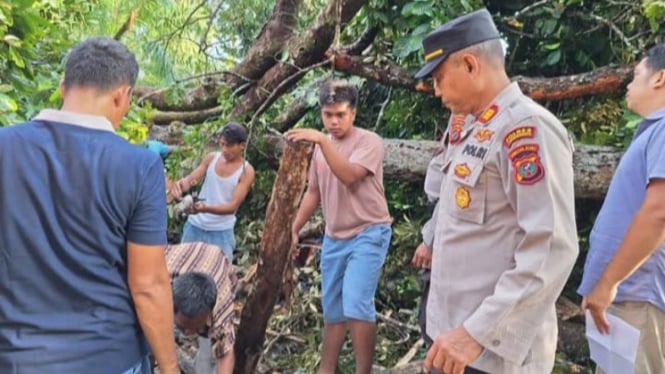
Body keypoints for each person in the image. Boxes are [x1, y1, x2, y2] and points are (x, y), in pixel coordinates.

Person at [414, 9, 579, 374]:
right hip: (451, 336)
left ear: (471, 65)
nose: (436, 91)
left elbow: (551, 246)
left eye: (440, 78)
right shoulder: (476, 127)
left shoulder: (525, 128)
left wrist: (477, 333)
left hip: (490, 353)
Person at [0, 37, 179, 373]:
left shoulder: (5, 147)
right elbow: (148, 285)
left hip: (16, 357)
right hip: (107, 357)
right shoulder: (139, 166)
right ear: (122, 95)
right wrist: (170, 368)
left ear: (63, 87)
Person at [287, 79, 393, 374]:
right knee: (333, 310)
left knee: (357, 302)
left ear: (353, 114)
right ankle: (326, 369)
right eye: (327, 115)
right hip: (334, 237)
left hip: (369, 231)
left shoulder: (369, 142)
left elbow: (348, 175)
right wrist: (294, 227)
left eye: (340, 115)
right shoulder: (322, 150)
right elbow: (313, 192)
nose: (333, 122)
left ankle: (363, 372)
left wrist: (320, 140)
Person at [578, 43, 665, 374]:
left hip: (637, 295)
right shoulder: (653, 131)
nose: (629, 84)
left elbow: (659, 213)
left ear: (659, 79)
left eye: (636, 75)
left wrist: (608, 283)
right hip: (628, 296)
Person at [171, 122, 256, 262]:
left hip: (221, 232)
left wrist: (205, 208)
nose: (224, 149)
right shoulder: (212, 158)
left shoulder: (246, 171)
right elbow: (191, 179)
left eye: (229, 146)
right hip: (194, 227)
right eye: (222, 144)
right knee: (183, 271)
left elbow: (232, 206)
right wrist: (180, 186)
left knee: (219, 277)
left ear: (242, 145)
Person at [166, 242, 237, 374]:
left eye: (197, 328)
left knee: (208, 355)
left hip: (218, 259)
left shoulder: (221, 313)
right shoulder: (160, 277)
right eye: (183, 327)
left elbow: (226, 353)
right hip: (184, 257)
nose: (187, 334)